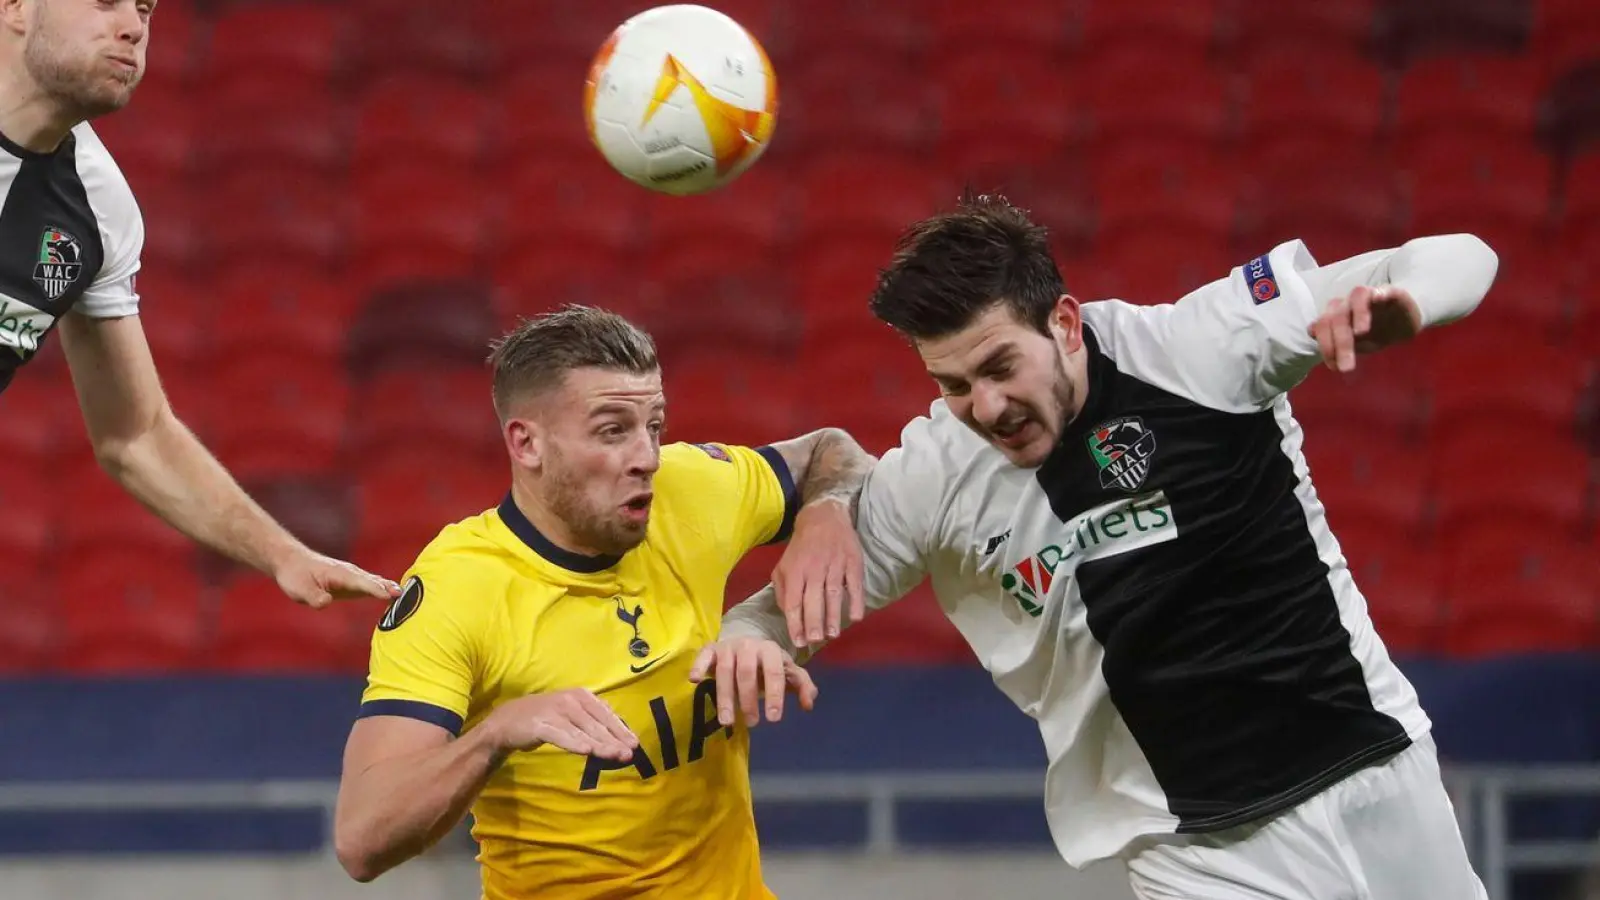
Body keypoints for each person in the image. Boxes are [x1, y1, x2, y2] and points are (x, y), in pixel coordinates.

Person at [704, 193, 1500, 899]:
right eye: (952, 384)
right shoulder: (935, 475)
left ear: (1065, 322)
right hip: (1199, 853)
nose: (984, 405)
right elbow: (782, 610)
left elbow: (1463, 254)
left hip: (1381, 777)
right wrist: (749, 636)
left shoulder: (1201, 346)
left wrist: (1407, 303)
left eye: (999, 366)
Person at [332, 305, 872, 899]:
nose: (647, 457)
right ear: (527, 443)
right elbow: (362, 840)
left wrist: (824, 512)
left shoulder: (689, 491)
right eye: (613, 430)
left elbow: (830, 450)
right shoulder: (457, 591)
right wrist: (496, 733)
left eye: (655, 425)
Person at [0, 0, 396, 606]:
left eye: (146, 9)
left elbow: (136, 435)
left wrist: (282, 552)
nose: (134, 27)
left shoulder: (99, 212)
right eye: (106, 1)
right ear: (17, 7)